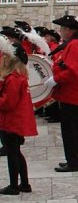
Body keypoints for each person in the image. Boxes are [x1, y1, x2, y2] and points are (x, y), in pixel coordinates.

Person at [47, 15, 78, 172]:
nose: (60, 31)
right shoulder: (75, 43)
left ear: (68, 30)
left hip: (72, 94)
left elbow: (73, 70)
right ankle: (72, 159)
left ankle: (73, 162)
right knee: (70, 130)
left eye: (61, 28)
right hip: (72, 93)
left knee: (70, 130)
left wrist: (56, 79)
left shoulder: (75, 45)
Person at [0, 37, 37, 194]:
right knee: (15, 152)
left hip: (12, 122)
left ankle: (14, 186)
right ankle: (24, 184)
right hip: (15, 121)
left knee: (12, 153)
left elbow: (8, 103)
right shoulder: (18, 77)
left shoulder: (14, 79)